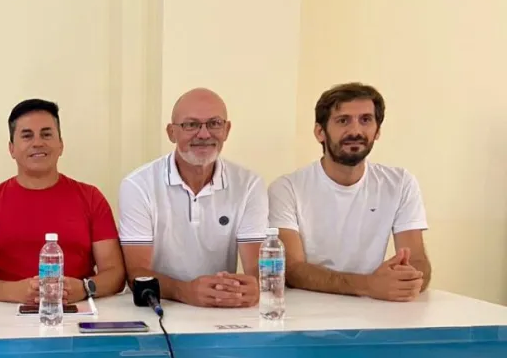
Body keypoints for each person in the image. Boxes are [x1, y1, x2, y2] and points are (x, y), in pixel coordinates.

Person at [268, 82, 430, 301]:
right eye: (343, 121)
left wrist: (407, 279)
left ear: (377, 130)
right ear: (319, 132)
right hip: (306, 310)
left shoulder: (400, 183)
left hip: (375, 309)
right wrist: (369, 285)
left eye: (366, 120)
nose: (355, 131)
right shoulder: (287, 188)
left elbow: (418, 260)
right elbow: (292, 270)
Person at [0, 99, 126, 304]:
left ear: (61, 144)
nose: (37, 143)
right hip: (1, 317)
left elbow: (115, 273)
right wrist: (14, 292)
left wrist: (84, 288)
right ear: (11, 149)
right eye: (27, 136)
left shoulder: (91, 198)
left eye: (46, 134)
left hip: (74, 314)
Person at [118, 88, 268, 308]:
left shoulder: (249, 184)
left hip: (222, 308)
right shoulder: (138, 185)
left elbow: (256, 269)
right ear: (171, 132)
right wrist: (185, 291)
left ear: (226, 130)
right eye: (191, 125)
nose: (204, 134)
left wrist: (252, 287)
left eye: (214, 123)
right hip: (161, 306)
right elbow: (137, 275)